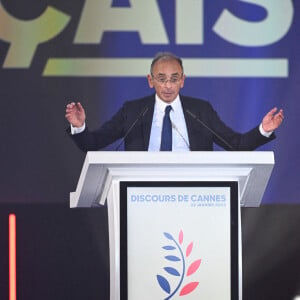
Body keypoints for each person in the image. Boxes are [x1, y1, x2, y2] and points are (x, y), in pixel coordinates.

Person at [65, 52, 284, 152]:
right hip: (141, 193)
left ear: (183, 81)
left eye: (174, 79)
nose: (168, 86)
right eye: (161, 79)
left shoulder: (201, 110)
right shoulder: (133, 111)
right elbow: (92, 144)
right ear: (150, 81)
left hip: (195, 192)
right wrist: (79, 126)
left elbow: (236, 145)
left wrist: (263, 129)